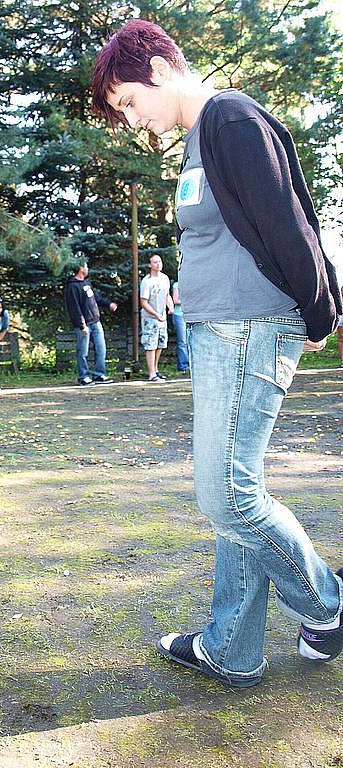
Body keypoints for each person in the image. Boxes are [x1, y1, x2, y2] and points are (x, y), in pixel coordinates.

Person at [92, 19, 343, 687]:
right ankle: (230, 647)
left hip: (248, 328)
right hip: (220, 330)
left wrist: (320, 308)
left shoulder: (230, 118)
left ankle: (327, 604)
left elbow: (289, 220)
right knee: (237, 488)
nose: (136, 120)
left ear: (159, 70)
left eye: (128, 102)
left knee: (225, 496)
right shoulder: (201, 138)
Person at [64, 261, 118, 385]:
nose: (87, 268)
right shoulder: (72, 286)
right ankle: (84, 376)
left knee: (101, 349)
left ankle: (99, 375)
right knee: (83, 352)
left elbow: (96, 298)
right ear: (80, 268)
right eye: (86, 266)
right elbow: (74, 308)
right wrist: (81, 325)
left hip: (95, 322)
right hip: (84, 325)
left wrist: (108, 304)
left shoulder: (86, 283)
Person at [140, 254, 173, 382]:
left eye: (159, 261)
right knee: (150, 344)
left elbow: (167, 295)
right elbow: (144, 302)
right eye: (155, 262)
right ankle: (151, 373)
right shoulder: (147, 281)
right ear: (150, 265)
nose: (158, 264)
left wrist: (170, 307)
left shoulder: (165, 279)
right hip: (150, 318)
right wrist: (155, 314)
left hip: (162, 317)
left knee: (160, 344)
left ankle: (156, 369)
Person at [171, 280, 189, 373]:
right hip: (179, 314)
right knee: (182, 341)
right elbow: (175, 300)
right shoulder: (177, 285)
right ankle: (183, 365)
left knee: (191, 341)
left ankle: (190, 364)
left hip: (190, 314)